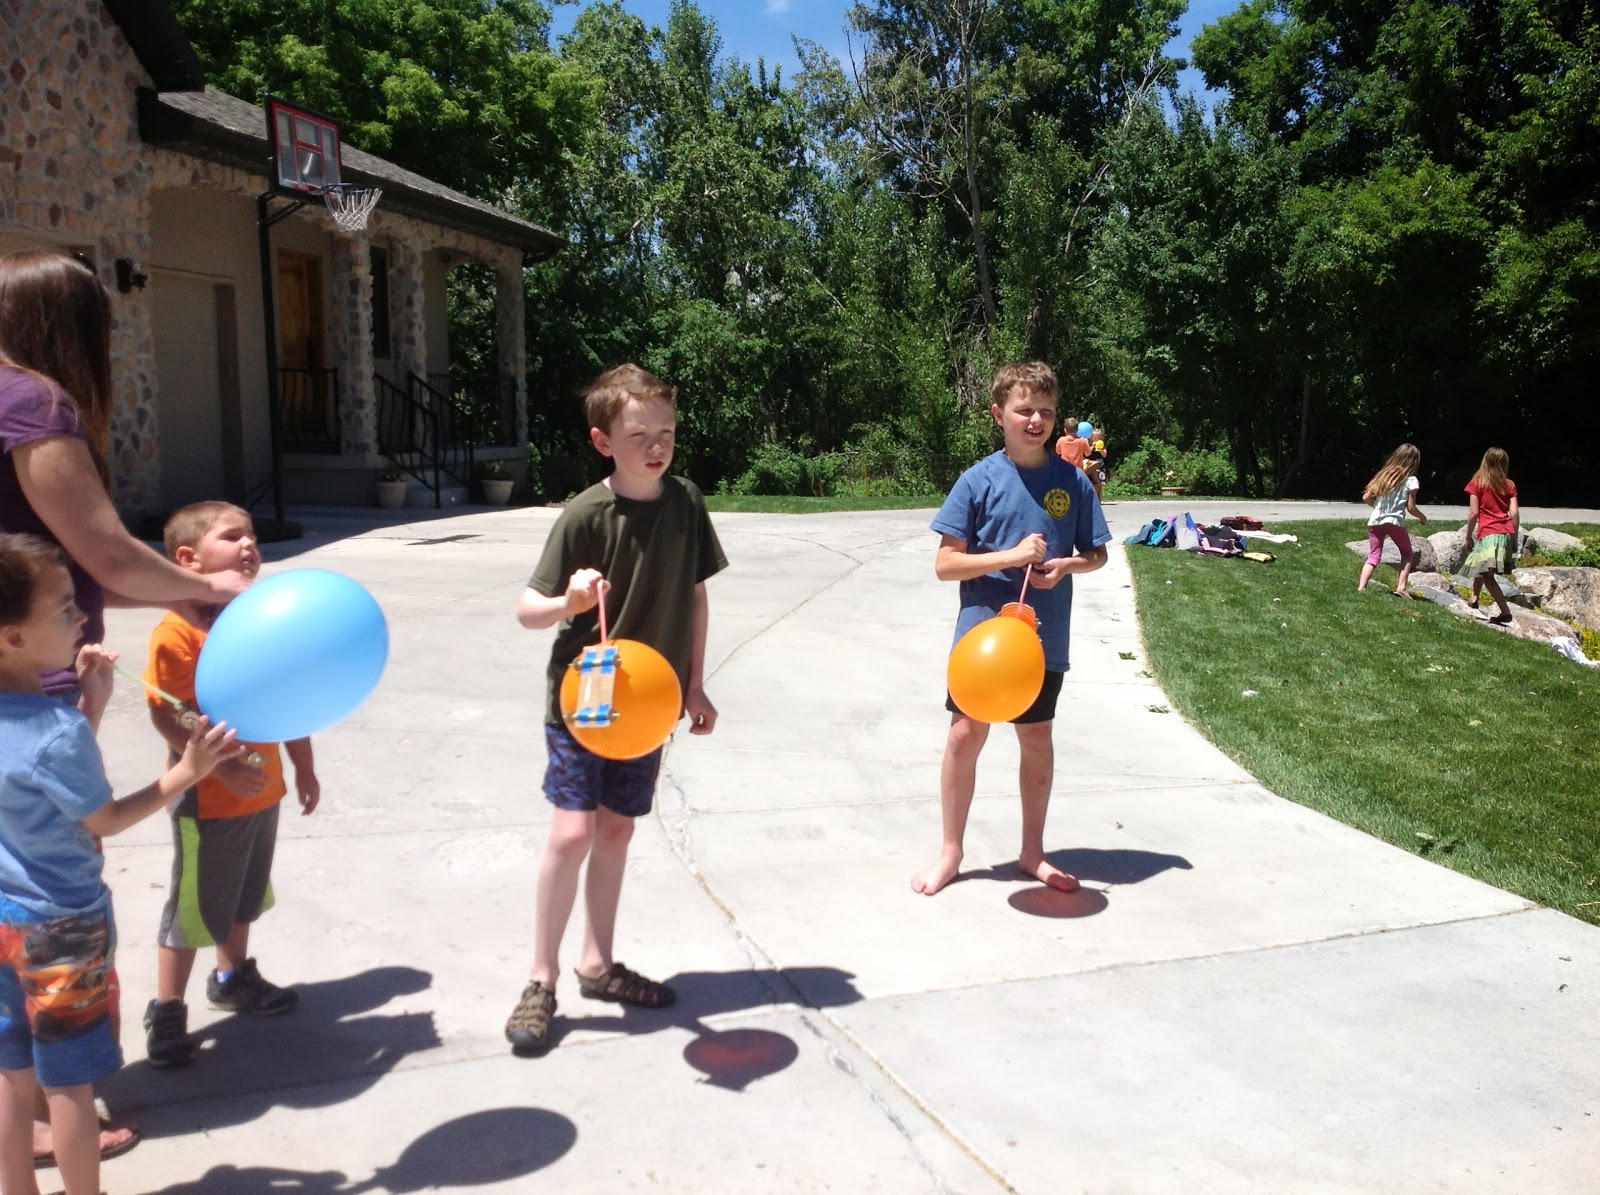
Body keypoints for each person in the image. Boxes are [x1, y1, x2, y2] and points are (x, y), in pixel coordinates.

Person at [1, 249, 249, 1163]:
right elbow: (102, 554)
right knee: (55, 890)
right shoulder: (33, 402)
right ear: (73, 329)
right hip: (25, 687)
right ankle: (59, 1114)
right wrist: (221, 597)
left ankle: (18, 1118)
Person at [0, 532, 239, 1195]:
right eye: (65, 608)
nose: (81, 618)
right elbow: (100, 816)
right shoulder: (55, 728)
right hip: (62, 929)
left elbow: (40, 787)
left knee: (11, 1073)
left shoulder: (48, 724)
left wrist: (92, 705)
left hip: (2, 918)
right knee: (68, 1083)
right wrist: (187, 770)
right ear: (12, 637)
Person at [504, 364, 726, 1056]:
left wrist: (694, 682)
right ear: (604, 441)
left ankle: (596, 964)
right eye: (639, 435)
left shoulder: (686, 502)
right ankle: (539, 978)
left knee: (617, 831)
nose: (656, 446)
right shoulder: (584, 514)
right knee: (571, 834)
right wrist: (568, 601)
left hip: (648, 706)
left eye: (665, 432)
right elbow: (526, 610)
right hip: (582, 703)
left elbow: (694, 594)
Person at [912, 363, 1111, 897]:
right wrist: (1013, 555)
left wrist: (1067, 566)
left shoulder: (1073, 482)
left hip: (1043, 640)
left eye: (1046, 412)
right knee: (963, 735)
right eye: (1024, 410)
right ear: (999, 414)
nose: (1036, 420)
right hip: (982, 643)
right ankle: (951, 851)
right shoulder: (978, 480)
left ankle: (1032, 852)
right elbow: (945, 564)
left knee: (1037, 738)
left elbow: (1098, 554)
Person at [141, 502, 320, 1068]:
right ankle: (166, 1008)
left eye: (253, 536)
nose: (250, 544)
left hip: (262, 792)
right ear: (188, 559)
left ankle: (232, 976)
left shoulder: (261, 620)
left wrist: (304, 765)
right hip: (210, 800)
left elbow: (292, 699)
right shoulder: (178, 631)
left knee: (243, 894)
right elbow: (168, 714)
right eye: (232, 536)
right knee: (194, 906)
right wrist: (222, 767)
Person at [1358, 443, 1428, 594]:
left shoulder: (1383, 476)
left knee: (1374, 555)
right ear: (1414, 461)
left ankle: (1361, 587)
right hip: (1395, 521)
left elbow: (1366, 497)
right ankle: (1401, 587)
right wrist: (1422, 517)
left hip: (1375, 520)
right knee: (1407, 553)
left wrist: (1378, 507)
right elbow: (1411, 508)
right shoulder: (1411, 480)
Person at [1462, 447, 1519, 626]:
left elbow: (1473, 513)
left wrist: (1468, 536)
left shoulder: (1477, 483)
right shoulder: (1509, 484)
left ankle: (1505, 612)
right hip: (1505, 532)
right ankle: (1475, 597)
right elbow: (1515, 513)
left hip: (1488, 532)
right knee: (1480, 564)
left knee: (1487, 575)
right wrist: (1515, 539)